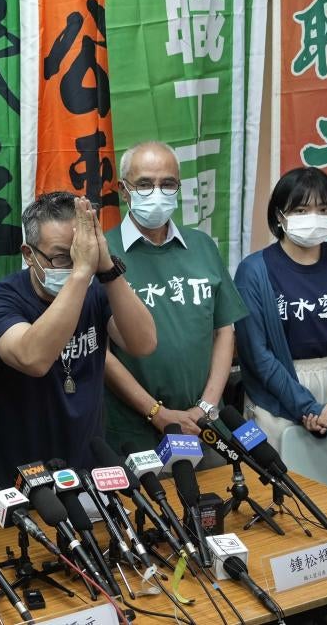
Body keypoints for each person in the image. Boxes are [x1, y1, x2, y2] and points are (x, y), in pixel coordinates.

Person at [0, 193, 156, 487]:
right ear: (28, 254)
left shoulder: (97, 289)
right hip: (22, 477)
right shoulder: (0, 300)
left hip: (88, 467)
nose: (74, 265)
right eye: (62, 257)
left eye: (80, 253)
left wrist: (107, 266)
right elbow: (34, 358)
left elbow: (143, 343)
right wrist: (83, 270)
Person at [103, 142, 247, 460]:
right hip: (135, 429)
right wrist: (156, 412)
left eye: (167, 183)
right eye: (144, 184)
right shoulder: (102, 253)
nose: (157, 192)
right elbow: (100, 352)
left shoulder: (202, 246)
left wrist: (206, 406)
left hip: (206, 424)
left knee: (216, 505)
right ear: (124, 191)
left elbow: (225, 329)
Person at [234, 167, 327, 453]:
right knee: (284, 491)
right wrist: (309, 408)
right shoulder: (253, 271)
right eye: (301, 209)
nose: (314, 218)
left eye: (323, 209)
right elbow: (257, 355)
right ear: (280, 215)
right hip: (278, 397)